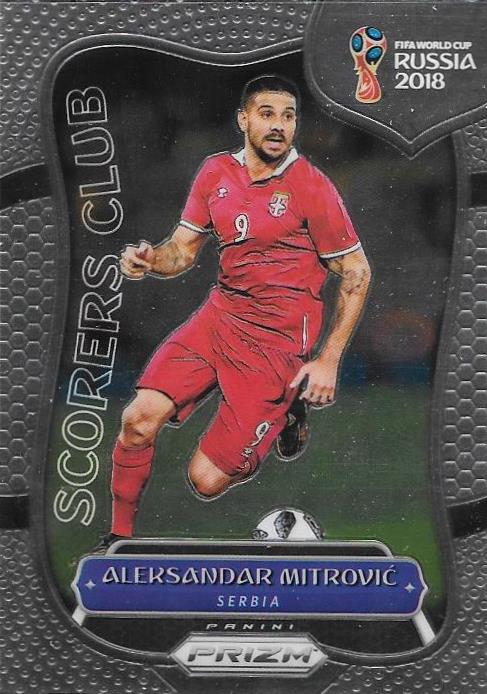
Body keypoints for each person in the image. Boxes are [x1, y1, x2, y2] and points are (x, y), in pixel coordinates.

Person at [99, 74, 371, 546]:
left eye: (288, 116)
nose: (279, 125)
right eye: (267, 114)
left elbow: (356, 272)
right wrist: (149, 259)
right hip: (219, 318)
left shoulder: (312, 187)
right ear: (243, 119)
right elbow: (181, 251)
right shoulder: (215, 172)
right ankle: (117, 539)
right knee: (137, 420)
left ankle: (287, 410)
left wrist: (328, 360)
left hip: (276, 343)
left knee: (205, 481)